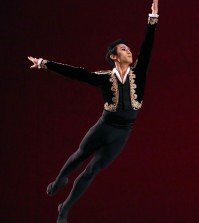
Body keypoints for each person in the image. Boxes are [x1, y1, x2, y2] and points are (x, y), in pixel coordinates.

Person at [28, 1, 159, 222]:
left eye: (129, 48)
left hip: (122, 133)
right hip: (104, 127)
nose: (130, 51)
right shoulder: (103, 77)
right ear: (114, 57)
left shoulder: (139, 73)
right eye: (124, 49)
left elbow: (147, 46)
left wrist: (152, 19)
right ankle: (61, 179)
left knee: (92, 171)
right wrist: (45, 63)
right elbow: (77, 73)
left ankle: (65, 208)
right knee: (80, 156)